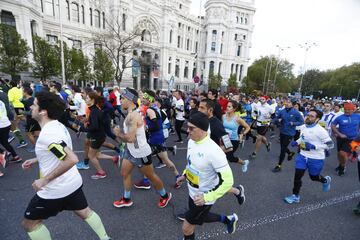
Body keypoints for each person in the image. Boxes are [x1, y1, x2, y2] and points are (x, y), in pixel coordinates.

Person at [21, 91, 111, 240]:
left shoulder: (48, 134)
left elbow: (72, 159)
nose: (31, 107)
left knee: (29, 224)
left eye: (35, 104)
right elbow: (59, 151)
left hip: (54, 190)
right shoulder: (57, 126)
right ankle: (105, 238)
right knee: (85, 212)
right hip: (72, 183)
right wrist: (37, 159)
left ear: (43, 111)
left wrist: (44, 180)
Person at [176, 112, 238, 240]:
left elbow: (228, 181)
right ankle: (228, 220)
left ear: (203, 130)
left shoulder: (214, 152)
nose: (188, 131)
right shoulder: (192, 141)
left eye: (192, 128)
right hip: (193, 192)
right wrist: (184, 174)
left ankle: (228, 218)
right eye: (188, 127)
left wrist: (207, 197)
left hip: (204, 196)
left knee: (187, 228)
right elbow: (191, 163)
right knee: (201, 217)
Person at [112, 88, 172, 208]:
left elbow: (130, 138)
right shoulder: (132, 113)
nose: (121, 101)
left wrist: (117, 133)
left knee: (151, 176)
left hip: (141, 153)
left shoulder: (133, 116)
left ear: (130, 100)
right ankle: (126, 199)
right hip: (130, 151)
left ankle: (165, 196)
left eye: (123, 98)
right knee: (125, 173)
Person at [284, 109, 333, 204]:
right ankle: (295, 196)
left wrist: (314, 146)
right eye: (308, 115)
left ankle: (325, 181)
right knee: (297, 176)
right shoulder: (303, 127)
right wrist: (297, 142)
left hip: (316, 158)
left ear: (317, 119)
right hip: (302, 156)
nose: (308, 117)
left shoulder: (321, 131)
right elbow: (303, 138)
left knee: (313, 177)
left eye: (312, 116)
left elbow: (331, 145)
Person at [272, 99, 304, 172]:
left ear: (292, 105)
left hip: (290, 133)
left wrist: (294, 123)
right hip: (282, 131)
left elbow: (301, 122)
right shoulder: (282, 111)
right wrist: (274, 122)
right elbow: (276, 118)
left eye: (289, 102)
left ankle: (279, 165)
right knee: (283, 146)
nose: (286, 103)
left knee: (283, 149)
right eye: (286, 102)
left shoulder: (296, 112)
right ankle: (290, 153)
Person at [331, 102, 360, 176]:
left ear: (353, 110)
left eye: (349, 110)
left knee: (343, 153)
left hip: (352, 139)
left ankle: (343, 167)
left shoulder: (358, 116)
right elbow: (333, 125)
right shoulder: (340, 117)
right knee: (339, 154)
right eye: (345, 109)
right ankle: (341, 165)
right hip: (340, 138)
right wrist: (339, 134)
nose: (346, 111)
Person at [223, 100, 251, 172]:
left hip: (233, 140)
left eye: (229, 107)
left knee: (229, 157)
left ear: (234, 109)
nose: (227, 108)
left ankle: (244, 163)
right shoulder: (223, 116)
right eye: (227, 106)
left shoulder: (237, 119)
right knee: (224, 156)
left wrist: (242, 134)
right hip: (224, 139)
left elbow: (248, 127)